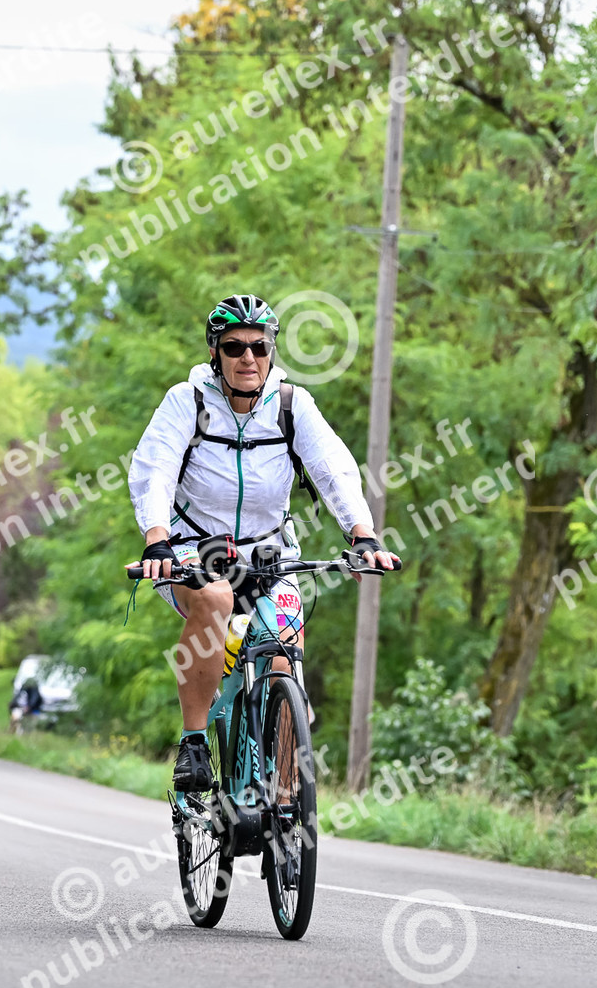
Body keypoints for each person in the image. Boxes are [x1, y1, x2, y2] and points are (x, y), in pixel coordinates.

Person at [129, 295, 398, 792]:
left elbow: (333, 469)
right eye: (234, 347)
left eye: (259, 346)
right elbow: (155, 470)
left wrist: (363, 535)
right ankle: (193, 745)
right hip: (193, 550)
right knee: (215, 599)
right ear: (215, 353)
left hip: (271, 555)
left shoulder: (292, 405)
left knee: (283, 661)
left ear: (272, 351)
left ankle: (288, 804)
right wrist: (157, 540)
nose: (248, 357)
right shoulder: (187, 401)